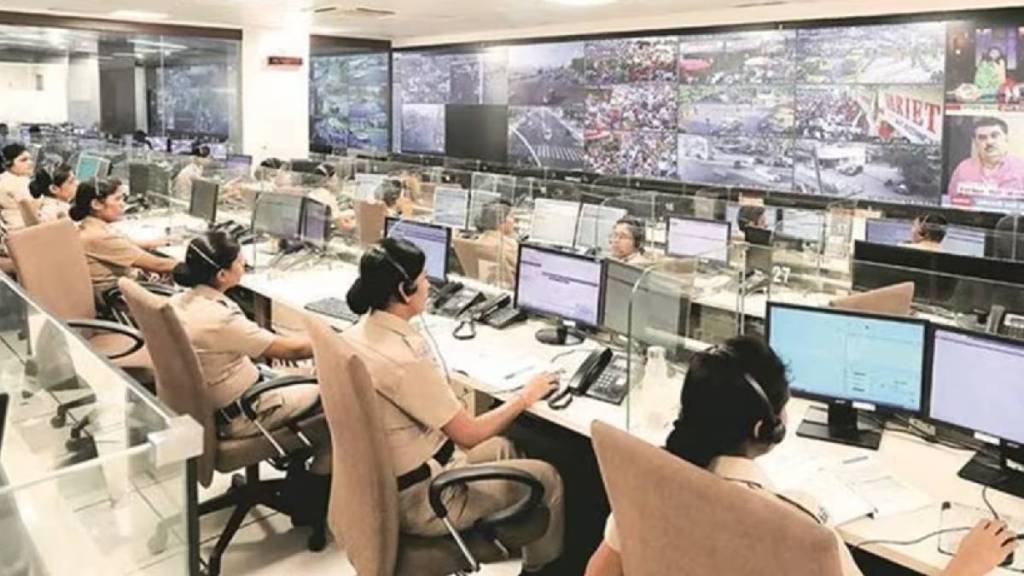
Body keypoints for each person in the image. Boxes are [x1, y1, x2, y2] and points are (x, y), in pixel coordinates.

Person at [584, 336, 1018, 576]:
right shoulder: (796, 524)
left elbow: (598, 572)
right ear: (764, 429)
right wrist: (967, 563)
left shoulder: (650, 482)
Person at [341, 238, 564, 575]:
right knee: (548, 477)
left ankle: (513, 539)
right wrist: (525, 397)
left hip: (393, 482)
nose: (430, 285)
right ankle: (540, 570)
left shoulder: (358, 333)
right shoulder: (403, 361)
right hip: (429, 499)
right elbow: (469, 434)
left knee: (504, 448)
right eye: (425, 278)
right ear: (404, 290)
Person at [169, 231, 331, 480]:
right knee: (331, 398)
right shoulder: (220, 319)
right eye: (240, 262)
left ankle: (297, 469)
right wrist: (336, 339)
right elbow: (293, 350)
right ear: (222, 275)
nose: (244, 265)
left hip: (216, 405)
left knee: (295, 375)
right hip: (243, 413)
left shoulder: (177, 302)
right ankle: (306, 491)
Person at [69, 178, 179, 298]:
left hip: (118, 291)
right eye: (117, 199)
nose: (123, 204)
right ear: (96, 204)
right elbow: (158, 265)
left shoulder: (90, 227)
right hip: (118, 299)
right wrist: (191, 266)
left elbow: (126, 244)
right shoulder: (100, 237)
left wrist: (156, 243)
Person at [947, 117, 1024, 203]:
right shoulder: (963, 169)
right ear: (975, 142)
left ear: (1006, 139)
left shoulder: (1021, 168)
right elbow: (951, 202)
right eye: (982, 137)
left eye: (994, 136)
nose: (989, 142)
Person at [474, 199, 519, 286]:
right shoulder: (509, 247)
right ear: (501, 220)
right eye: (511, 216)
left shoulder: (478, 242)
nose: (514, 221)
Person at [0, 143, 36, 231]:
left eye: (30, 159)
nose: (30, 163)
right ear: (8, 163)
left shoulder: (25, 179)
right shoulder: (5, 182)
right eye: (23, 160)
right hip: (19, 230)